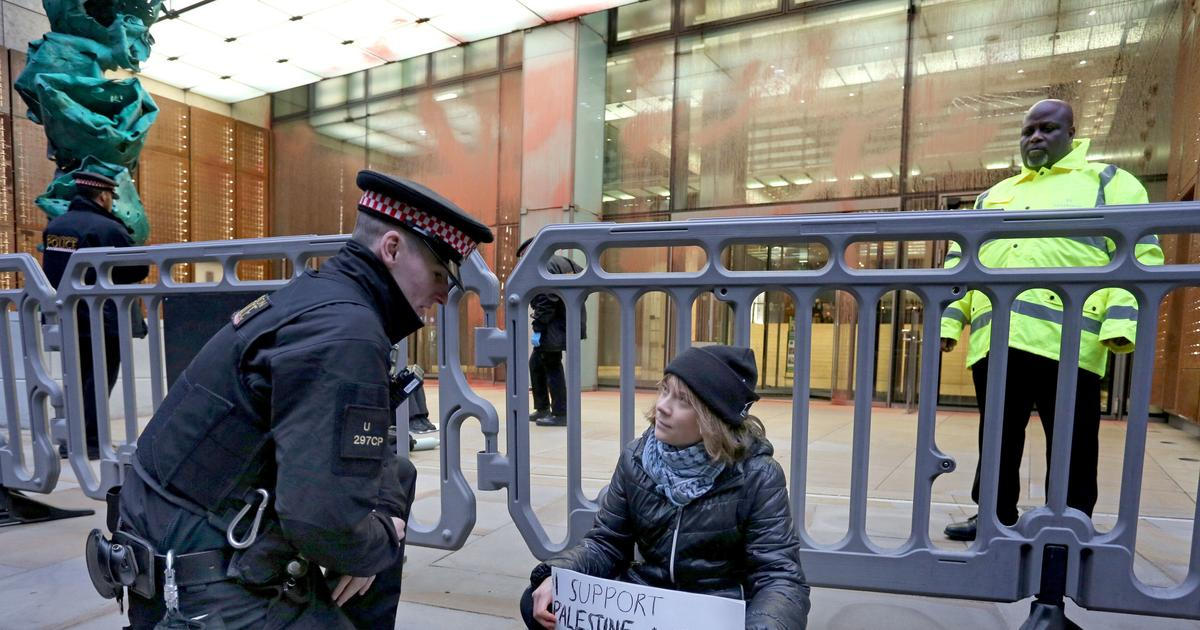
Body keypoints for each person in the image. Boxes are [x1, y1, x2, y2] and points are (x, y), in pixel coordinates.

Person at [106, 170, 493, 628]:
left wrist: (373, 527)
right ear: (390, 249)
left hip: (179, 550)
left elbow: (370, 460)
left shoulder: (321, 303)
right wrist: (378, 541)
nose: (442, 296)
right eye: (436, 274)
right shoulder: (345, 334)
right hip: (207, 585)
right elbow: (321, 522)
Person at [940, 99, 1164, 541]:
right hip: (998, 338)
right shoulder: (994, 195)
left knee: (1074, 440)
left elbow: (1140, 254)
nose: (1036, 137)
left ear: (1072, 133)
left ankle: (1070, 520)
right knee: (998, 437)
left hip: (1070, 341)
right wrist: (950, 322)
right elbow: (960, 263)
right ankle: (992, 516)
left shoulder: (1108, 181)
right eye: (1028, 131)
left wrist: (1119, 324)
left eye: (1047, 129)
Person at [518, 345, 810, 630]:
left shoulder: (758, 476)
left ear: (714, 418)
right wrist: (560, 576)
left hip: (715, 610)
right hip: (646, 604)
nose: (662, 406)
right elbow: (606, 543)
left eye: (682, 400)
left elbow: (778, 578)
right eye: (664, 390)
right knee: (540, 600)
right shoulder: (637, 458)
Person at [40, 171, 148, 460]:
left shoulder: (57, 226)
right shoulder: (107, 228)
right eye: (111, 197)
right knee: (98, 381)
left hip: (66, 315)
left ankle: (70, 441)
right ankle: (90, 442)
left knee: (75, 379)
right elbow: (138, 268)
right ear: (103, 196)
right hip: (103, 318)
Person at [516, 237, 586, 427]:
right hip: (567, 322)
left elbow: (546, 299)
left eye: (523, 256)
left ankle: (560, 413)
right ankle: (542, 408)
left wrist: (538, 327)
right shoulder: (565, 262)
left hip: (553, 326)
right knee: (536, 363)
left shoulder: (543, 265)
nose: (522, 261)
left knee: (552, 365)